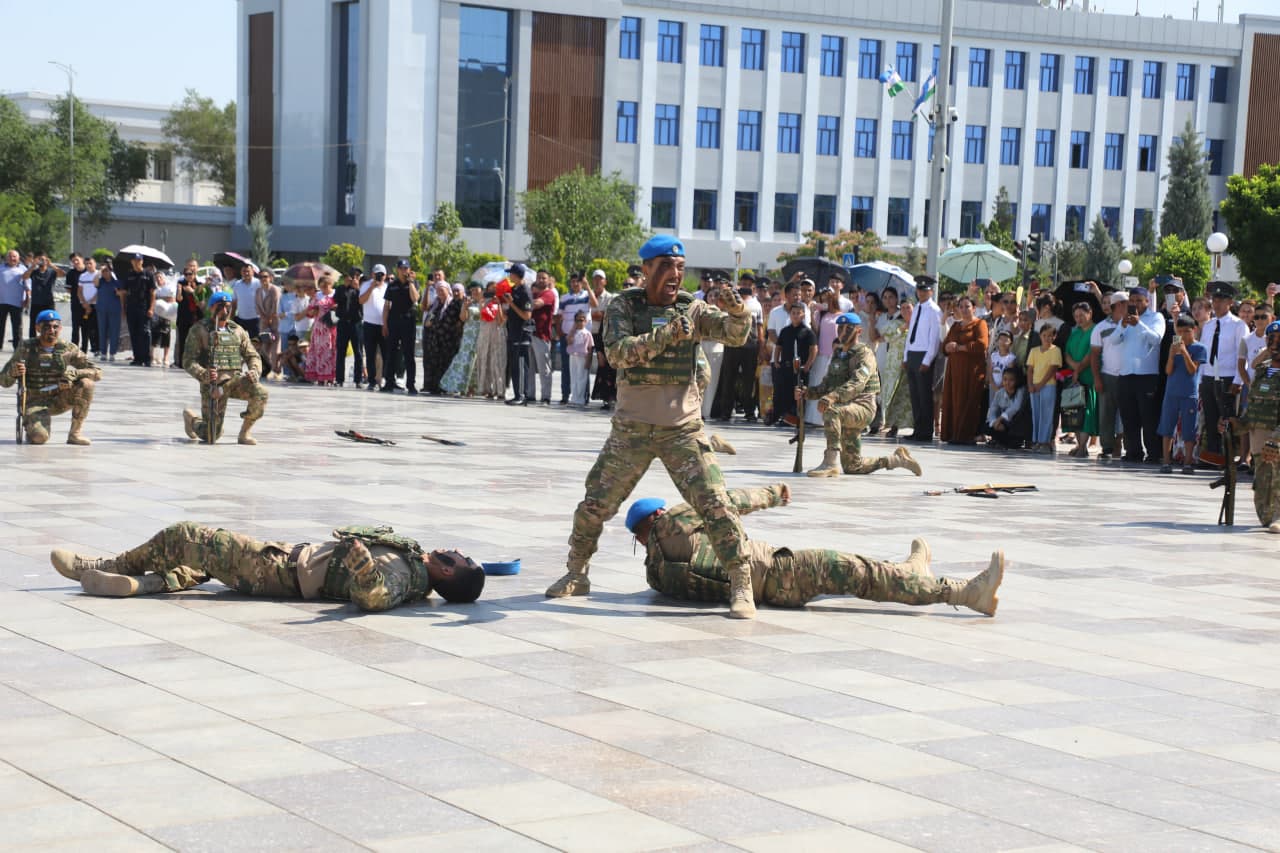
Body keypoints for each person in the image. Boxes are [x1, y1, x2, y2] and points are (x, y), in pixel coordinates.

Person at [547, 234, 759, 619]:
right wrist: (670, 333)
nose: (674, 274)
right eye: (664, 266)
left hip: (682, 429)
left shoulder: (691, 308)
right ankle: (577, 573)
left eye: (679, 267)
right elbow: (618, 354)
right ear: (645, 270)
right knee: (594, 504)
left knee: (716, 505)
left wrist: (739, 313)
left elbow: (734, 335)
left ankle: (741, 583)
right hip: (632, 429)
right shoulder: (624, 306)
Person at [625, 487, 1004, 616]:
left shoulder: (656, 574)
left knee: (862, 574)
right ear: (658, 515)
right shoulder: (673, 523)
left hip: (773, 589)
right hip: (779, 569)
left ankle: (910, 570)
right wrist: (771, 495)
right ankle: (965, 593)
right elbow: (722, 503)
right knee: (861, 574)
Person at [49, 524, 486, 610]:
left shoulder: (406, 577)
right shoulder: (415, 567)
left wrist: (362, 566)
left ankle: (104, 564)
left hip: (278, 572)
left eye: (459, 557)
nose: (454, 550)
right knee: (204, 568)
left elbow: (373, 597)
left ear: (449, 572)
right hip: (281, 563)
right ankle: (141, 584)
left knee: (186, 537)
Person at [799, 312, 922, 478]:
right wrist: (807, 393)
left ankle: (830, 462)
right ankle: (896, 460)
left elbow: (858, 383)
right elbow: (826, 385)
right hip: (846, 408)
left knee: (831, 410)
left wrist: (833, 397)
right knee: (853, 467)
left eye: (847, 328)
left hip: (863, 408)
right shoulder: (839, 355)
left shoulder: (865, 354)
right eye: (839, 328)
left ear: (858, 331)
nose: (842, 332)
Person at [0, 309, 100, 445]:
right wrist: (13, 372)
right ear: (37, 328)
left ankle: (75, 434)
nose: (51, 330)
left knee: (87, 384)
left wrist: (73, 375)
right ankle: (32, 425)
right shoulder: (26, 348)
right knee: (39, 438)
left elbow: (97, 371)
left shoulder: (67, 348)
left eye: (55, 326)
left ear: (60, 328)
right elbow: (3, 381)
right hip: (34, 401)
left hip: (59, 399)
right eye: (46, 326)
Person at [181, 292, 268, 445]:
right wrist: (204, 374)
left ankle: (245, 433)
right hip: (213, 384)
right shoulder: (199, 330)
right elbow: (188, 361)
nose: (225, 311)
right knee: (212, 436)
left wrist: (254, 370)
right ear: (211, 308)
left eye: (228, 307)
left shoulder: (237, 330)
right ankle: (192, 420)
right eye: (220, 307)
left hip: (235, 381)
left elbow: (252, 355)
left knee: (261, 393)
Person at [1115, 285, 1166, 463]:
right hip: (1126, 374)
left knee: (1149, 417)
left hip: (1147, 375)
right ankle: (1133, 452)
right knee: (1129, 417)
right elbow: (1114, 340)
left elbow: (1157, 338)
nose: (1135, 304)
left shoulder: (1155, 317)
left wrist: (1139, 324)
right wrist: (1122, 325)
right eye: (1132, 300)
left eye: (1139, 301)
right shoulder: (1125, 320)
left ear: (1147, 301)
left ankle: (1153, 453)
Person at [1199, 281, 1247, 462]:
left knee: (1226, 419)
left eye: (1221, 300)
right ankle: (1213, 456)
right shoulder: (1209, 325)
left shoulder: (1238, 325)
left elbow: (1242, 356)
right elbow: (1205, 353)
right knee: (1211, 419)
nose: (1216, 303)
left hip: (1228, 378)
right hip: (1209, 377)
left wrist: (1238, 381)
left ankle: (1227, 457)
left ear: (1230, 303)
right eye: (1214, 299)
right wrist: (1201, 378)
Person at [1240, 321, 1280, 532]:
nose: (1275, 345)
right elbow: (1254, 400)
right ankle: (1266, 514)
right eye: (1271, 340)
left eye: (1278, 340)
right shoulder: (1263, 370)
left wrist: (1276, 437)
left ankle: (1277, 515)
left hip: (1276, 433)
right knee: (1263, 475)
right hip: (1259, 432)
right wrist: (1238, 423)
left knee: (1277, 475)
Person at [1158, 315, 1207, 474]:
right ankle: (1166, 461)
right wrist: (1172, 354)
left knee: (1189, 429)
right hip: (1171, 392)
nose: (1183, 335)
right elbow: (1168, 371)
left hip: (1189, 394)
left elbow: (1192, 370)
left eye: (1187, 331)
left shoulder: (1199, 348)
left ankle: (1188, 462)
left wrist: (1185, 352)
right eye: (1180, 331)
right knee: (1167, 427)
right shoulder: (1173, 346)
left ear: (1194, 330)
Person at [940, 295, 989, 445]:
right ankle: (953, 433)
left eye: (967, 306)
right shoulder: (955, 326)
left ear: (974, 308)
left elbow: (982, 344)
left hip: (971, 371)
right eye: (961, 307)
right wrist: (947, 347)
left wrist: (961, 347)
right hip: (954, 371)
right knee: (954, 401)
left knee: (968, 400)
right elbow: (945, 345)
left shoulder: (980, 324)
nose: (964, 310)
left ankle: (966, 435)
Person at [903, 275, 942, 441]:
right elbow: (911, 332)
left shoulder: (934, 310)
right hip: (912, 353)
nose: (921, 292)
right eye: (919, 289)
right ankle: (917, 429)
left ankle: (926, 431)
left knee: (924, 395)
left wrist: (927, 360)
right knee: (915, 395)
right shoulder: (917, 307)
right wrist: (906, 356)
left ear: (931, 291)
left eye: (924, 289)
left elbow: (934, 338)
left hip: (924, 355)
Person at [1090, 292, 1128, 461]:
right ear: (1116, 306)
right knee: (1106, 413)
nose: (1128, 305)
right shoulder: (1100, 327)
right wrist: (1097, 378)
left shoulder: (1133, 323)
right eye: (1125, 303)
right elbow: (1094, 355)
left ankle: (1120, 444)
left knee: (1126, 413)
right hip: (1108, 375)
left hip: (1128, 375)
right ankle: (1107, 447)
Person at [873, 288, 912, 438]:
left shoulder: (916, 324)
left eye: (908, 308)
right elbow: (883, 337)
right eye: (903, 308)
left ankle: (902, 424)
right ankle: (889, 424)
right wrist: (901, 329)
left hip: (909, 362)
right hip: (893, 362)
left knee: (905, 396)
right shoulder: (895, 323)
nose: (905, 310)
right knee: (890, 392)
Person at [772, 302, 816, 428]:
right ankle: (785, 418)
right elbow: (778, 347)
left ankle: (798, 419)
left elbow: (814, 349)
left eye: (798, 313)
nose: (795, 316)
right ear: (790, 315)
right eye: (793, 313)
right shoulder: (785, 331)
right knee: (784, 393)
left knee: (800, 394)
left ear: (803, 315)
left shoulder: (808, 332)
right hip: (786, 367)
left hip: (801, 368)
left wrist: (808, 365)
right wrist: (776, 361)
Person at [1063, 302, 1098, 458]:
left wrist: (1079, 368)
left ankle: (1083, 446)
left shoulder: (1095, 330)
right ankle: (1079, 444)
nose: (1079, 319)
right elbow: (1067, 353)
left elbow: (1092, 353)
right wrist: (1074, 367)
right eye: (1076, 316)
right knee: (1074, 412)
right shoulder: (1075, 332)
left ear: (1090, 313)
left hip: (1088, 376)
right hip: (1074, 377)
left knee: (1087, 412)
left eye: (1082, 315)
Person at [441, 283, 484, 396]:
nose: (474, 292)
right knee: (464, 359)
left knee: (476, 362)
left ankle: (473, 388)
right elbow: (462, 318)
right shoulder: (469, 302)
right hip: (469, 334)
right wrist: (465, 306)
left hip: (481, 333)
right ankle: (458, 385)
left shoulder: (485, 302)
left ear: (482, 290)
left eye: (476, 289)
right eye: (472, 290)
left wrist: (481, 304)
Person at [556, 273, 592, 404]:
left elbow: (595, 303)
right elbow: (559, 316)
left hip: (584, 337)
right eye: (572, 281)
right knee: (567, 368)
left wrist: (588, 286)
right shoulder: (564, 297)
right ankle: (566, 395)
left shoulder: (587, 295)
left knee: (584, 368)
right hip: (568, 337)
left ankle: (584, 396)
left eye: (577, 281)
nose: (575, 284)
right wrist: (560, 332)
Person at [1027, 322, 1063, 452]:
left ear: (1054, 337)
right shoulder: (1034, 351)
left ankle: (1045, 441)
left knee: (1046, 414)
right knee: (1036, 414)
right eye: (1044, 335)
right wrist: (1030, 385)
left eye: (1050, 336)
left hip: (1048, 385)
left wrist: (1040, 384)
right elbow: (1030, 369)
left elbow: (1053, 369)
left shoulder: (1055, 350)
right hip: (1034, 387)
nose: (1047, 338)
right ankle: (1036, 440)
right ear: (1040, 336)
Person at [501, 264, 533, 405]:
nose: (509, 276)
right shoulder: (514, 290)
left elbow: (527, 316)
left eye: (511, 273)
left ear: (517, 275)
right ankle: (516, 394)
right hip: (513, 333)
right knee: (514, 365)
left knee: (520, 365)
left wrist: (512, 304)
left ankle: (521, 396)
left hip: (522, 334)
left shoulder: (525, 291)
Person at [422, 281, 462, 395]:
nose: (439, 292)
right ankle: (434, 386)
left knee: (446, 363)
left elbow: (460, 319)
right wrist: (429, 322)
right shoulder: (436, 304)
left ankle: (444, 386)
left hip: (449, 339)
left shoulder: (454, 303)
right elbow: (427, 320)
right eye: (438, 290)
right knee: (434, 363)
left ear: (447, 290)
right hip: (435, 339)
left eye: (442, 290)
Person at [588, 269, 618, 410]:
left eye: (600, 279)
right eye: (595, 279)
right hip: (594, 336)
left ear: (605, 281)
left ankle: (611, 399)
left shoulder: (610, 298)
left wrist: (591, 315)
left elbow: (601, 316)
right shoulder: (588, 295)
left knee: (610, 370)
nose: (598, 281)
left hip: (609, 339)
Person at [121, 254, 156, 366]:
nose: (137, 262)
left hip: (144, 307)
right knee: (134, 332)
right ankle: (137, 358)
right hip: (131, 307)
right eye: (135, 260)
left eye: (139, 260)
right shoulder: (129, 275)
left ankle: (147, 358)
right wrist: (123, 308)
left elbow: (152, 293)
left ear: (142, 261)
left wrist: (151, 308)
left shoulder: (148, 275)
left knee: (145, 333)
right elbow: (124, 293)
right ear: (132, 262)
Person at [473, 284, 508, 399]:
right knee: (485, 361)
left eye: (495, 289)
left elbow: (501, 321)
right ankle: (487, 389)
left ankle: (500, 390)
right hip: (485, 334)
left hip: (497, 334)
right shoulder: (484, 302)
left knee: (497, 363)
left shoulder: (504, 302)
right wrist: (483, 302)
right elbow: (482, 317)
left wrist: (498, 305)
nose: (492, 291)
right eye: (490, 289)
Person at [528, 273, 558, 404]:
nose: (541, 280)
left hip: (542, 335)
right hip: (528, 334)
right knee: (529, 367)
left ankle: (546, 396)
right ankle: (530, 394)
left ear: (548, 280)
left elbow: (536, 304)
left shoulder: (549, 294)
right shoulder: (533, 294)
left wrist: (524, 302)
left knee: (544, 368)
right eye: (539, 277)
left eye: (544, 278)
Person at [983, 365, 1029, 449]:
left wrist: (1000, 419)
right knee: (987, 427)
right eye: (1005, 379)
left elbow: (1016, 407)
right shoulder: (999, 393)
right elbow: (993, 409)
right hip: (1002, 423)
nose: (1007, 382)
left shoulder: (1021, 391)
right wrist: (994, 422)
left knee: (1013, 435)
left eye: (1011, 380)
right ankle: (999, 440)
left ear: (1017, 381)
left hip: (1015, 424)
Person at [334, 267, 365, 387]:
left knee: (358, 352)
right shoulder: (341, 289)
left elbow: (362, 302)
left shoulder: (360, 290)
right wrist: (345, 286)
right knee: (341, 351)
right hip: (343, 323)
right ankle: (339, 379)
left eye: (356, 276)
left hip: (355, 323)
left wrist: (357, 288)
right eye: (352, 277)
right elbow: (336, 300)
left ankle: (358, 380)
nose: (353, 279)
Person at [359, 264, 387, 390]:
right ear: (372, 274)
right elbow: (361, 301)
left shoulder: (387, 287)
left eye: (381, 274)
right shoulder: (366, 285)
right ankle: (371, 381)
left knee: (385, 353)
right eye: (377, 274)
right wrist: (371, 287)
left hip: (383, 324)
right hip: (369, 324)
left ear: (385, 275)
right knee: (370, 354)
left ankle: (384, 378)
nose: (379, 277)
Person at [305, 275, 338, 384]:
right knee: (319, 351)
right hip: (320, 327)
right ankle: (320, 376)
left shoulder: (336, 294)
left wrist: (335, 307)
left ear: (331, 285)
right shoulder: (317, 295)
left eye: (326, 286)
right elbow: (309, 311)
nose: (324, 288)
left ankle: (331, 376)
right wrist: (314, 310)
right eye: (322, 286)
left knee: (332, 350)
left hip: (332, 326)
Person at [23, 252, 59, 340]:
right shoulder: (34, 272)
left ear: (47, 260)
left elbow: (63, 273)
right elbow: (24, 277)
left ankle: (51, 340)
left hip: (48, 302)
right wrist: (32, 265)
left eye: (43, 259)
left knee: (51, 323)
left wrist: (51, 264)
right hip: (36, 302)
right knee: (33, 324)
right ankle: (32, 343)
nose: (41, 261)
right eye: (39, 259)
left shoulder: (51, 272)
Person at [254, 268, 282, 378]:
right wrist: (263, 317)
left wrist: (270, 317)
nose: (263, 279)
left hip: (275, 322)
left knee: (275, 347)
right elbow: (256, 305)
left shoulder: (275, 289)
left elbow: (276, 305)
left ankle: (276, 370)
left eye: (265, 276)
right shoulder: (258, 291)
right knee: (265, 346)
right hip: (263, 322)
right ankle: (267, 368)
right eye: (261, 277)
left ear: (270, 278)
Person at [175, 261, 202, 369]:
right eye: (186, 274)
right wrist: (179, 290)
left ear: (194, 274)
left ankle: (196, 362)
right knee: (183, 340)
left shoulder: (199, 285)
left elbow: (201, 302)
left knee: (197, 341)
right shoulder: (181, 284)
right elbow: (178, 299)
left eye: (190, 274)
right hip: (184, 317)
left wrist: (192, 292)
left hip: (196, 317)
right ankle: (182, 363)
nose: (188, 276)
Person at [0, 250, 29, 351]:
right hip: (1, 301)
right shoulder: (1, 268)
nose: (12, 259)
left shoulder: (23, 269)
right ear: (6, 258)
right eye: (10, 256)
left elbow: (27, 287)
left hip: (16, 302)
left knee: (17, 326)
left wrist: (27, 300)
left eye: (14, 257)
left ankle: (17, 346)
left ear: (18, 258)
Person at [567, 310, 594, 406]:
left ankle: (580, 398)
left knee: (581, 377)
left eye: (582, 320)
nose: (580, 322)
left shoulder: (587, 333)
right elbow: (569, 342)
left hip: (583, 357)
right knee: (573, 376)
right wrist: (573, 330)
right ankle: (574, 397)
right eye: (578, 320)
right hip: (573, 356)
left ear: (586, 321)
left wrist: (588, 361)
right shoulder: (573, 332)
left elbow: (590, 348)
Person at [151, 272, 176, 369]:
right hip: (156, 315)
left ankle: (166, 357)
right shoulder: (155, 288)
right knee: (155, 335)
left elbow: (172, 299)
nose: (158, 279)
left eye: (160, 277)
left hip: (167, 314)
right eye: (156, 277)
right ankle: (153, 356)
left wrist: (161, 299)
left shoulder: (169, 287)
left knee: (166, 335)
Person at [230, 263, 261, 338]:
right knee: (242, 342)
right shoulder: (237, 284)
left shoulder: (258, 283)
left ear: (252, 272)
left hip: (256, 319)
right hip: (241, 319)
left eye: (248, 271)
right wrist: (231, 317)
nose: (246, 273)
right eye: (244, 271)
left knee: (256, 342)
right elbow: (234, 303)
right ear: (241, 272)